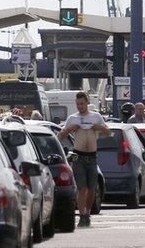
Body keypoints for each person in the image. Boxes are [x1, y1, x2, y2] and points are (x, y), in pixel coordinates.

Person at [57, 92, 110, 228]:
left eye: (82, 103)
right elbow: (60, 136)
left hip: (92, 157)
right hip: (78, 156)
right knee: (82, 188)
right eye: (78, 104)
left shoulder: (96, 116)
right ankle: (82, 215)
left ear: (87, 103)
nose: (80, 106)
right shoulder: (72, 118)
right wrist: (69, 129)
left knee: (92, 188)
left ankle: (87, 212)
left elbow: (108, 132)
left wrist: (97, 127)